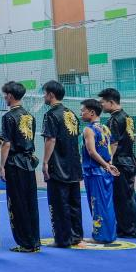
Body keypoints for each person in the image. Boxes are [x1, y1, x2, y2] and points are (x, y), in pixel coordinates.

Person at [41, 80, 84, 248]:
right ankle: (76, 235)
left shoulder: (51, 115)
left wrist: (45, 162)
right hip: (73, 165)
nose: (44, 97)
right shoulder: (71, 114)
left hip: (58, 165)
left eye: (45, 94)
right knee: (74, 202)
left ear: (51, 95)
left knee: (59, 203)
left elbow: (51, 139)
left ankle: (62, 239)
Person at [0, 82, 41, 253]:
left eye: (5, 95)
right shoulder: (30, 116)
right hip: (28, 162)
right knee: (31, 202)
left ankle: (25, 242)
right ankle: (34, 240)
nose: (4, 98)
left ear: (10, 95)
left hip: (15, 163)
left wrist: (1, 165)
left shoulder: (8, 117)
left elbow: (6, 143)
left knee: (17, 202)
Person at [99, 88, 136, 238]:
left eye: (103, 102)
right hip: (129, 161)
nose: (101, 106)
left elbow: (114, 142)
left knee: (121, 198)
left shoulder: (114, 120)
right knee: (129, 197)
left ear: (111, 102)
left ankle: (126, 230)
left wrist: (108, 161)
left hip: (120, 163)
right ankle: (132, 228)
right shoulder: (128, 117)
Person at [80, 99, 119, 246]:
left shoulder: (88, 129)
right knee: (107, 204)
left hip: (94, 172)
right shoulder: (105, 128)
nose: (81, 113)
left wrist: (105, 164)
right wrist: (109, 162)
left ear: (92, 112)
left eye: (83, 110)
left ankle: (99, 236)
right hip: (105, 171)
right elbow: (114, 144)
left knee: (96, 204)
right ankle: (109, 235)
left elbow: (91, 151)